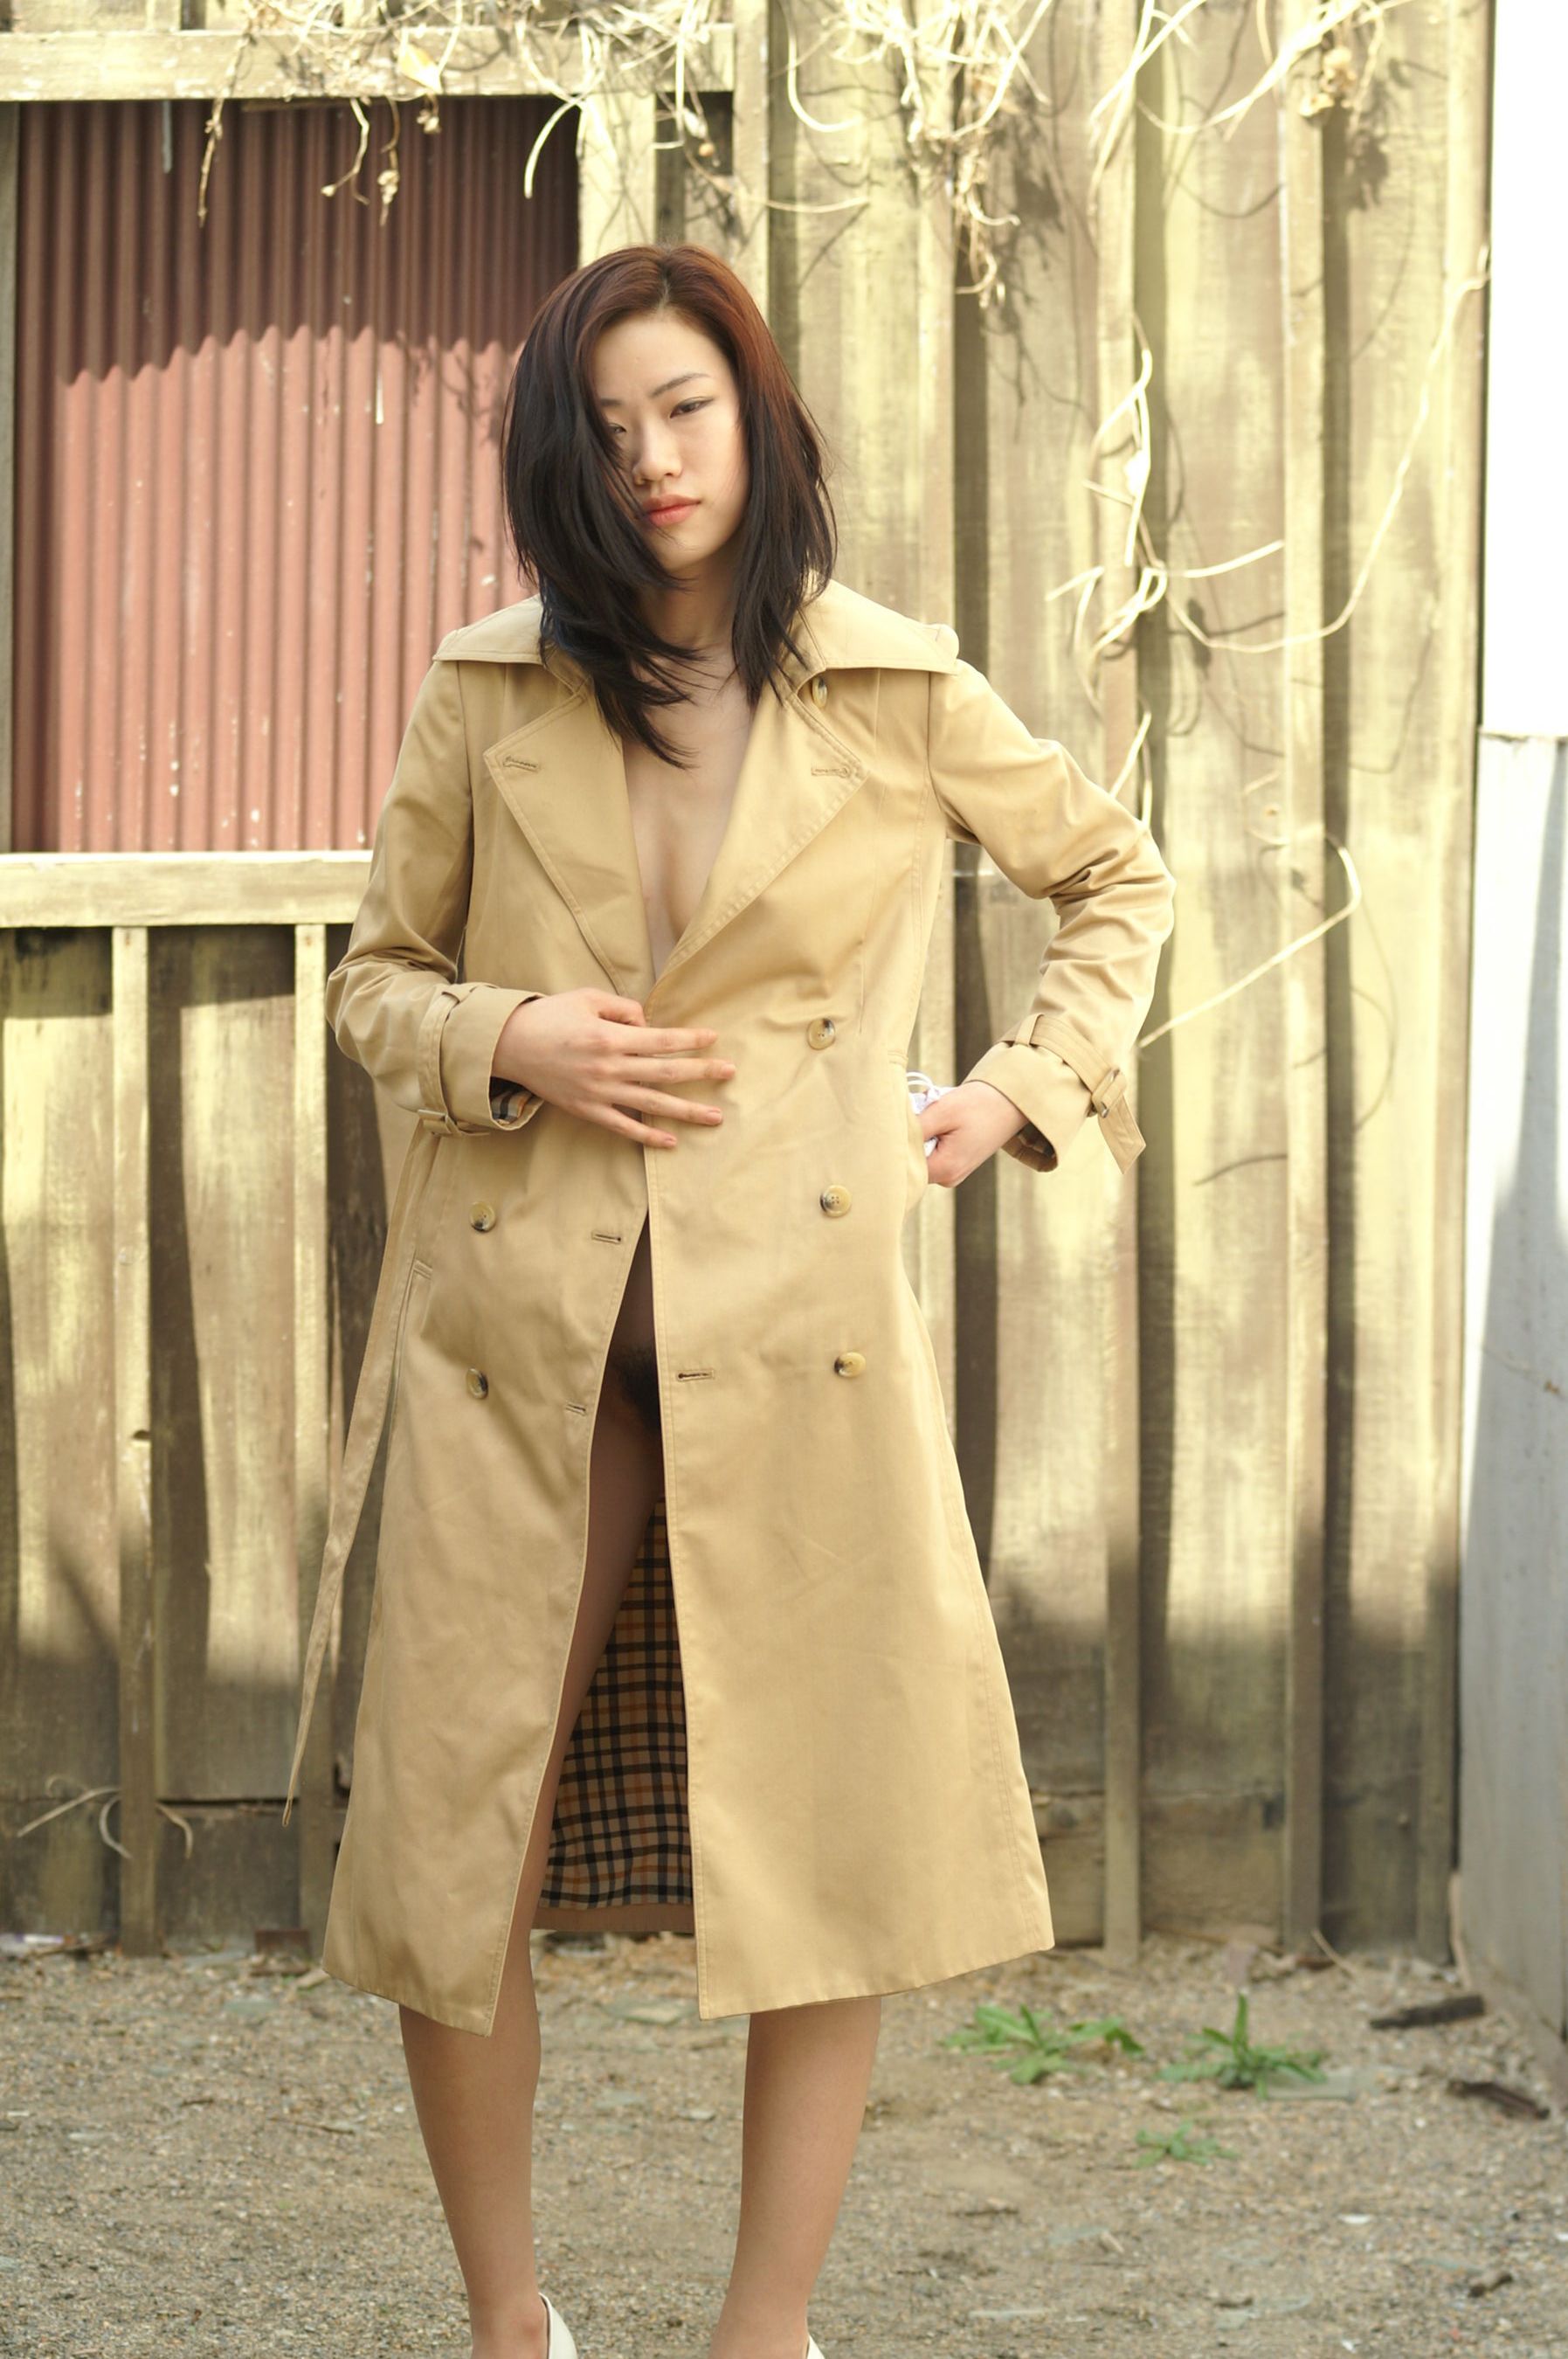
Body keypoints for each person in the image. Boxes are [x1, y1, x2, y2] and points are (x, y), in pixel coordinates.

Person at [282, 243, 1176, 2359]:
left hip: (801, 1349)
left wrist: (1014, 1094)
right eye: (605, 430)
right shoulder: (489, 689)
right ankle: (513, 2326)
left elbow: (1113, 879)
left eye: (682, 408)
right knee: (458, 1858)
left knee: (823, 1852)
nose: (651, 461)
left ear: (755, 417)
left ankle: (761, 2334)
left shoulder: (897, 687)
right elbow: (375, 983)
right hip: (528, 1364)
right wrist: (512, 1035)